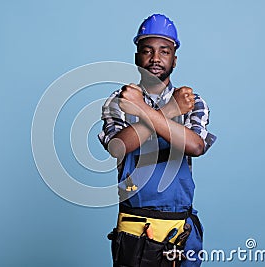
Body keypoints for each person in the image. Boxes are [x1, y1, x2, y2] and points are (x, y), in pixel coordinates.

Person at [98, 14, 216, 267]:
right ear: (136, 56)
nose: (155, 58)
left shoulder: (192, 102)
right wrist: (170, 111)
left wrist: (143, 110)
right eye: (147, 51)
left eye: (164, 51)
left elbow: (195, 146)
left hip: (180, 228)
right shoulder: (119, 101)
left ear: (174, 59)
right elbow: (118, 146)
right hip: (134, 227)